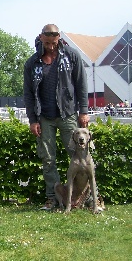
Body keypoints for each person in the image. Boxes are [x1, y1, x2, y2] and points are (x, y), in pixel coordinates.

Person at [23, 24, 89, 210]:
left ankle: (87, 197)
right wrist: (32, 120)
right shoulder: (32, 62)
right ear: (41, 38)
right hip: (44, 117)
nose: (51, 46)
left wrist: (83, 111)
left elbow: (82, 84)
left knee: (80, 157)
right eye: (47, 42)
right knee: (48, 158)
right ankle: (53, 198)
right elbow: (28, 93)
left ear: (59, 38)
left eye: (54, 42)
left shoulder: (72, 56)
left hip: (68, 114)